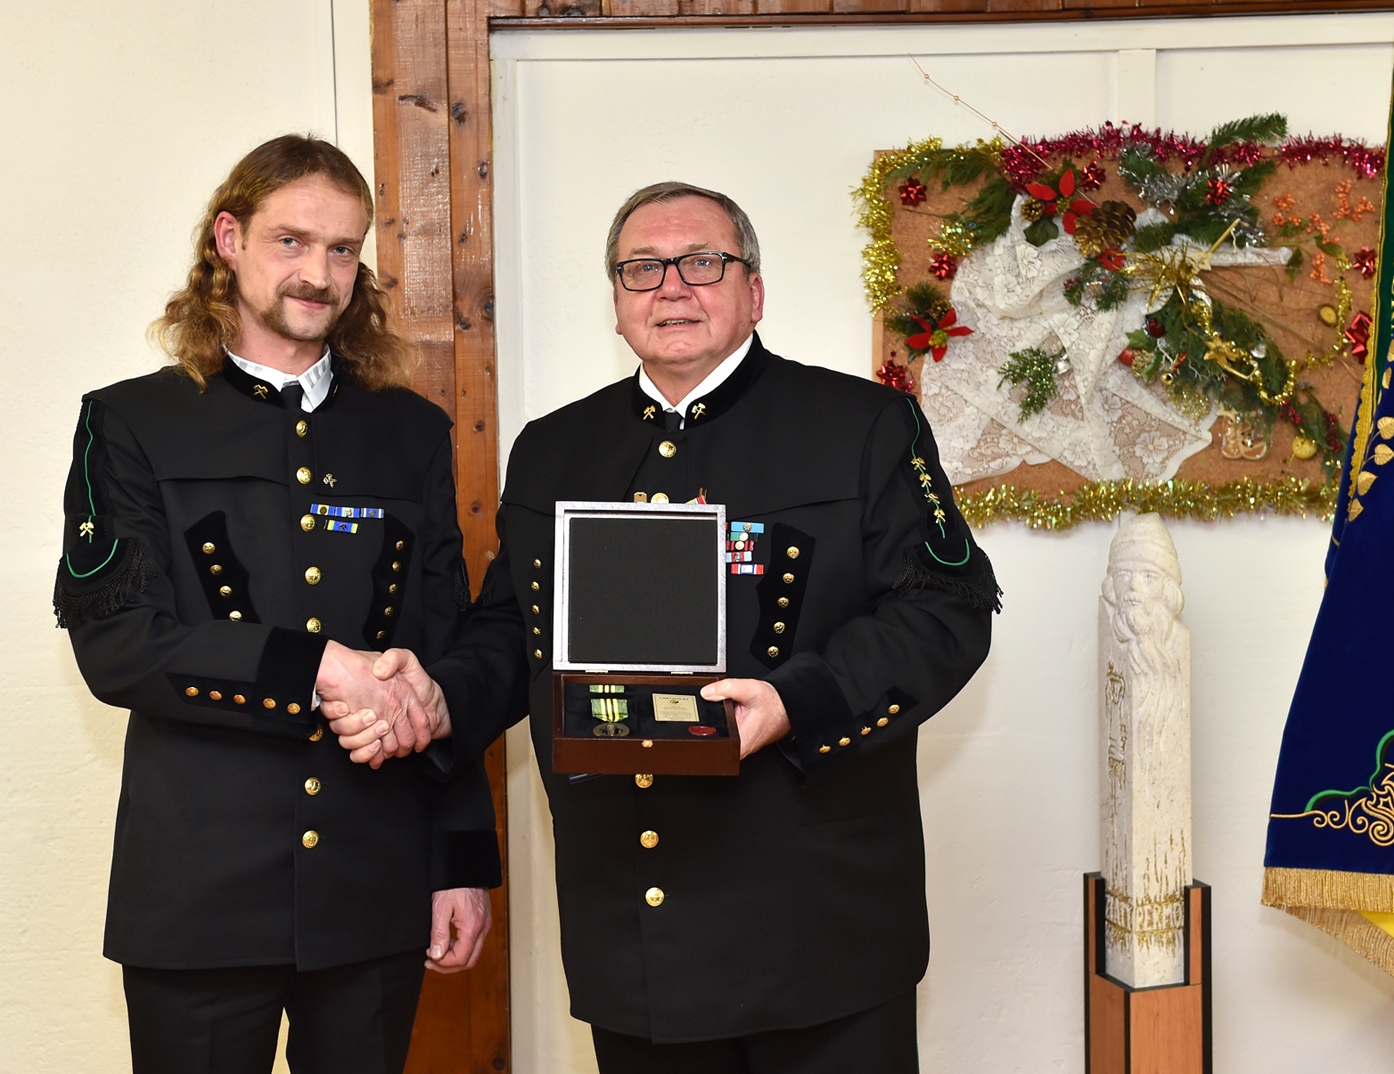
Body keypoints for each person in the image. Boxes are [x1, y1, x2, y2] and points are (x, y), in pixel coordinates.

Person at [330, 181, 997, 1072]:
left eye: (703, 263)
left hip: (820, 926)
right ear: (616, 301)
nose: (672, 287)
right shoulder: (554, 449)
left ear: (754, 290)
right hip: (636, 923)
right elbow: (512, 632)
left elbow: (946, 610)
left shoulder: (864, 426)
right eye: (642, 268)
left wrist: (795, 702)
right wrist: (438, 697)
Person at [54, 135, 501, 1074]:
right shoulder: (130, 422)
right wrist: (319, 668)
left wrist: (459, 863)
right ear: (229, 239)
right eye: (291, 241)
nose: (319, 274)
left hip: (374, 885)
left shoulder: (411, 432)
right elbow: (119, 643)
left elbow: (440, 659)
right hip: (200, 897)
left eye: (342, 249)